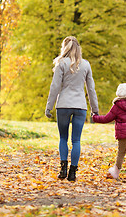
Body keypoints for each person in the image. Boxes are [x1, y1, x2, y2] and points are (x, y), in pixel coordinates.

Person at [45, 36, 99, 182]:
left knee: (63, 138)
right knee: (76, 140)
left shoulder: (61, 63)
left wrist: (49, 107)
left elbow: (55, 87)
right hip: (80, 106)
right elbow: (91, 89)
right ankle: (73, 172)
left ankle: (63, 168)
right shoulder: (86, 65)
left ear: (65, 48)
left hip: (63, 105)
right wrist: (95, 109)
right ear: (78, 48)